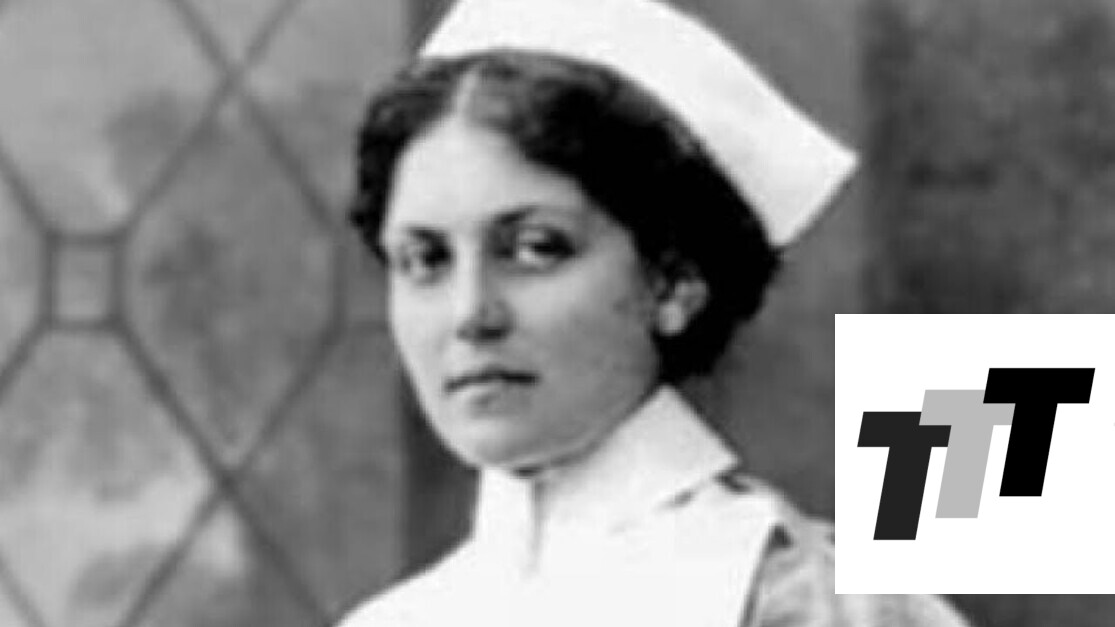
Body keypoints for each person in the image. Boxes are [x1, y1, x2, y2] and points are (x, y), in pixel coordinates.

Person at [340, 0, 972, 625]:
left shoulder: (801, 600)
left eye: (536, 248)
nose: (470, 313)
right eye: (425, 260)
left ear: (674, 284)